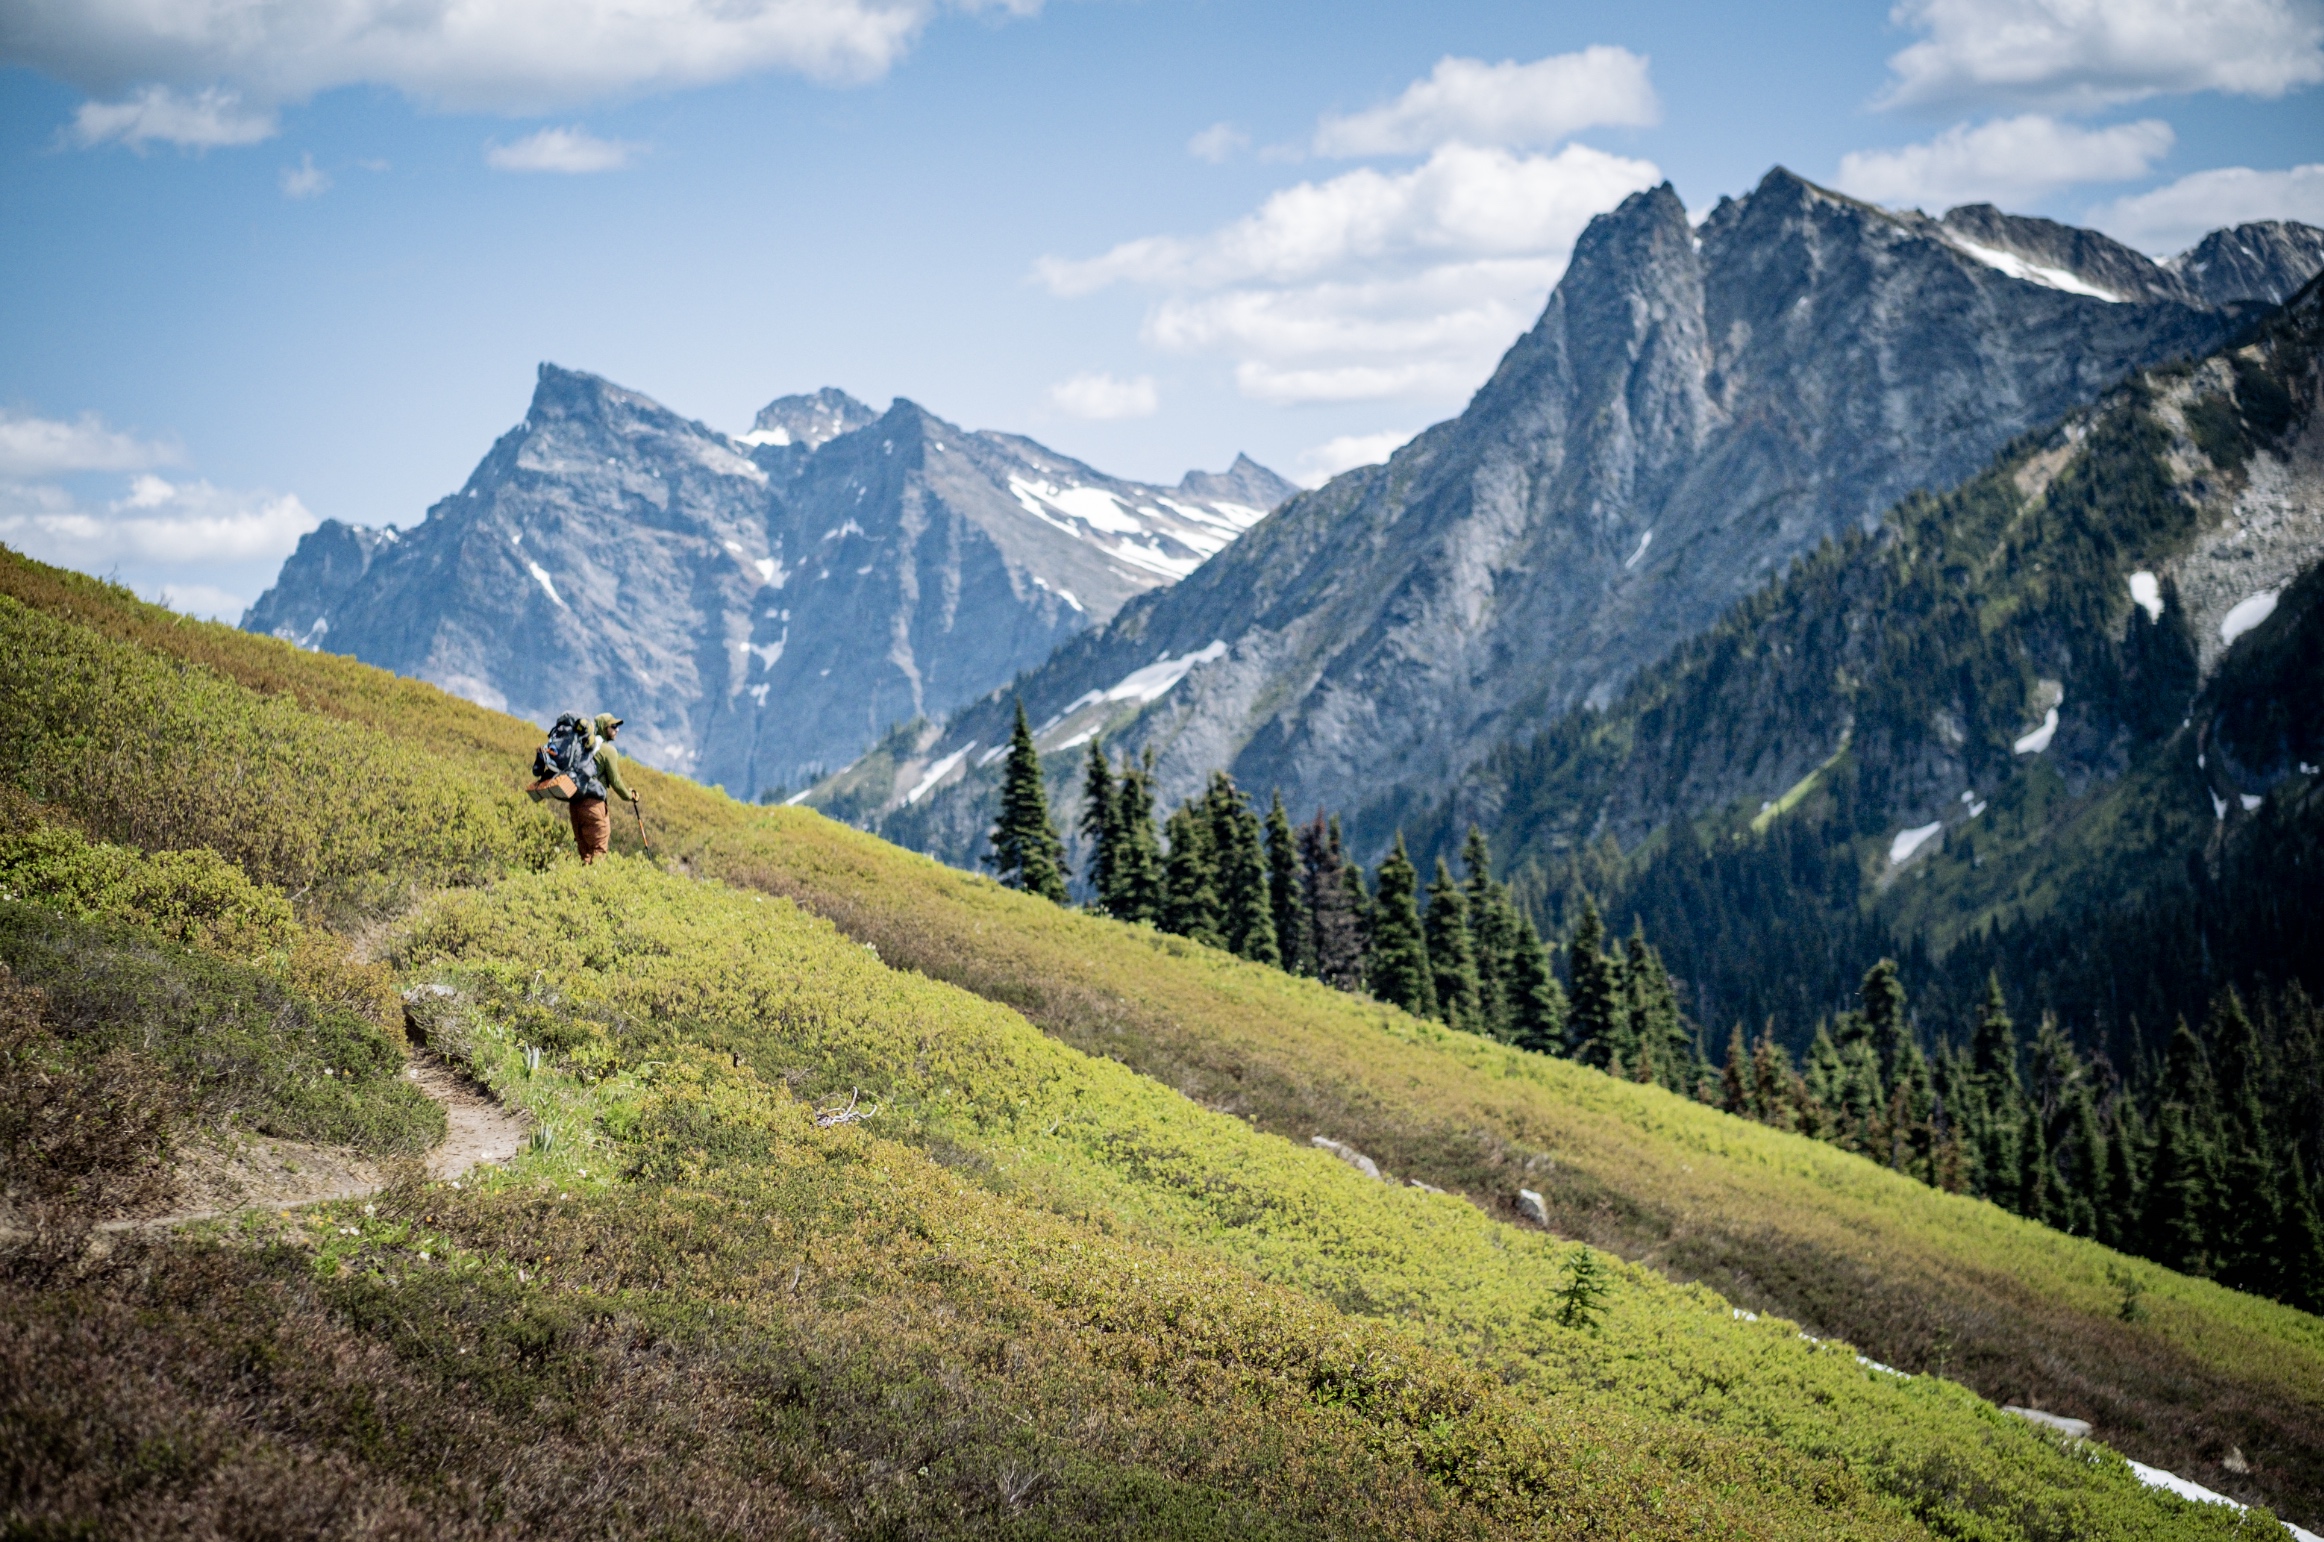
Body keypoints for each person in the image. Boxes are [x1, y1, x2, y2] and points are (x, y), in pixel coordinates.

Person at [569, 712, 640, 864]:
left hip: (575, 806)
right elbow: (616, 781)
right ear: (603, 728)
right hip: (594, 806)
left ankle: (581, 886)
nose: (617, 730)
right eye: (613, 726)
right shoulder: (608, 751)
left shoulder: (582, 747)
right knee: (599, 852)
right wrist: (630, 796)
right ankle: (593, 887)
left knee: (585, 855)